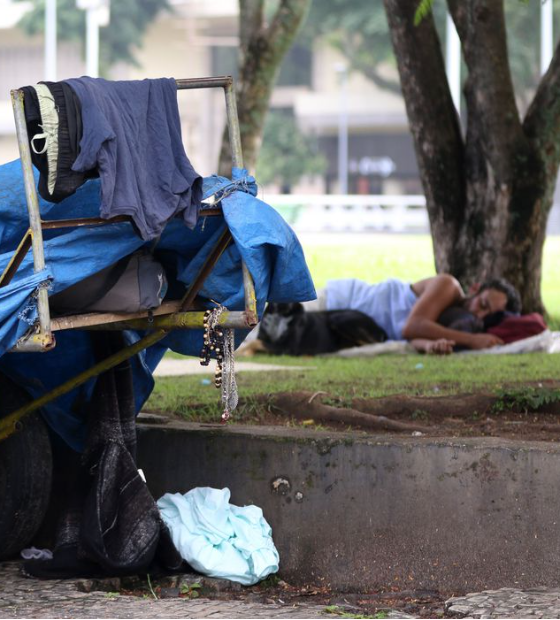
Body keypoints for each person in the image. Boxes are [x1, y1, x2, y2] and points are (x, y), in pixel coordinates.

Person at [319, 274, 521, 354]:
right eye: (482, 303)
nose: (479, 314)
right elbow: (412, 327)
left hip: (346, 325)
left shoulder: (453, 324)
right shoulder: (449, 286)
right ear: (475, 287)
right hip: (341, 299)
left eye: (488, 315)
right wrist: (472, 339)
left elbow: (413, 338)